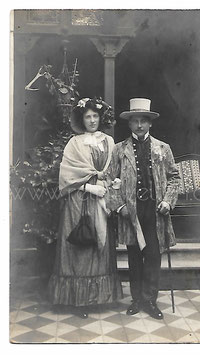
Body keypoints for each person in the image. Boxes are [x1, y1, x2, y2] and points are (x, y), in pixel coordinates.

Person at [105, 98, 180, 320]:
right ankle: (137, 299)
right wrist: (119, 207)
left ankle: (150, 300)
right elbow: (109, 180)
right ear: (129, 124)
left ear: (149, 124)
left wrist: (167, 201)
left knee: (153, 256)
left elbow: (174, 177)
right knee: (134, 256)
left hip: (155, 211)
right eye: (135, 121)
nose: (139, 125)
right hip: (132, 213)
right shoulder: (120, 150)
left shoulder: (162, 148)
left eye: (143, 121)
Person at [48, 98, 123, 318]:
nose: (92, 120)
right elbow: (67, 175)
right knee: (80, 246)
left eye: (95, 116)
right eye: (87, 117)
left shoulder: (108, 141)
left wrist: (112, 182)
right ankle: (77, 301)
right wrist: (89, 188)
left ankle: (99, 299)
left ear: (101, 118)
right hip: (78, 201)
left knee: (100, 245)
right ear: (82, 119)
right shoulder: (74, 143)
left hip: (102, 199)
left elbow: (112, 169)